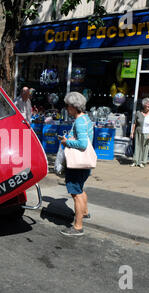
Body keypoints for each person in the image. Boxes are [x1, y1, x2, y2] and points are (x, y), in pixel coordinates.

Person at [58, 92, 93, 237]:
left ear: (73, 106)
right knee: (80, 189)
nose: (66, 108)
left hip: (77, 163)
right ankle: (84, 212)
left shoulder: (79, 121)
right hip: (85, 163)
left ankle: (78, 226)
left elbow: (82, 144)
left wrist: (66, 142)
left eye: (68, 106)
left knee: (76, 193)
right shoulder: (86, 119)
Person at [130, 97, 149, 168]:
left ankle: (142, 162)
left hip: (148, 133)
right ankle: (135, 161)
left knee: (145, 147)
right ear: (144, 105)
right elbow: (134, 123)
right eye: (148, 106)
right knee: (137, 146)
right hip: (138, 132)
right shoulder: (138, 113)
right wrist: (132, 133)